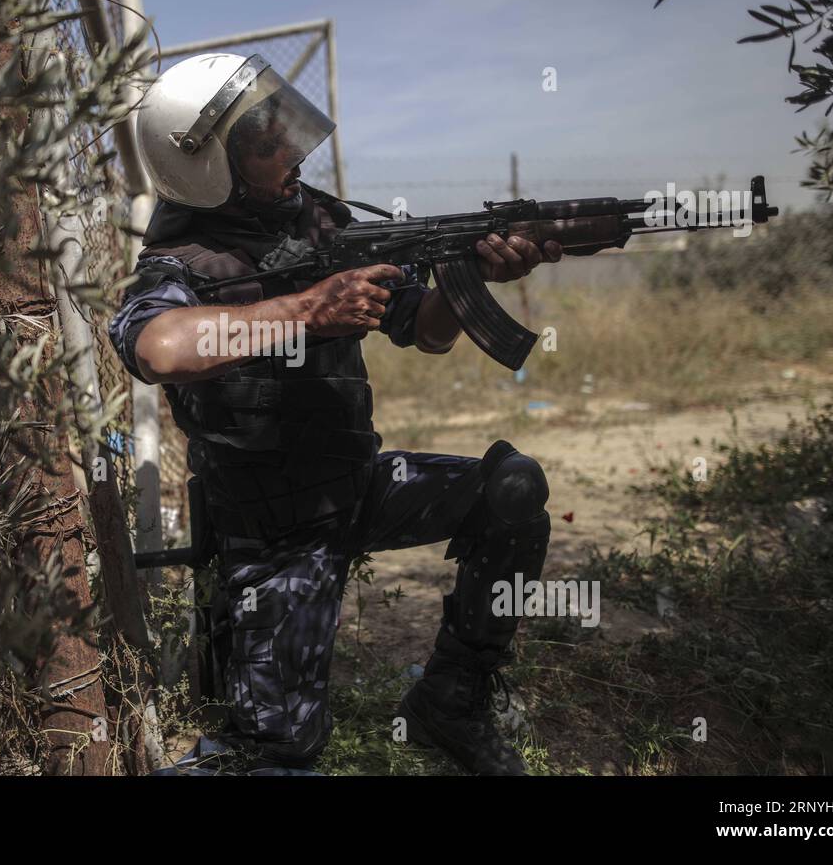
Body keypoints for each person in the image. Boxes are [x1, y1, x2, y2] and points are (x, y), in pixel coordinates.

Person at [109, 52, 562, 774]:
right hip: (274, 530)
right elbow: (159, 347)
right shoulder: (182, 261)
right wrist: (308, 311)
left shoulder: (324, 224)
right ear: (208, 166)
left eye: (285, 130)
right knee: (282, 754)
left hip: (355, 487)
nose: (290, 150)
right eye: (265, 143)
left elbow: (431, 332)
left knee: (512, 491)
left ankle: (452, 698)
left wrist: (467, 273)